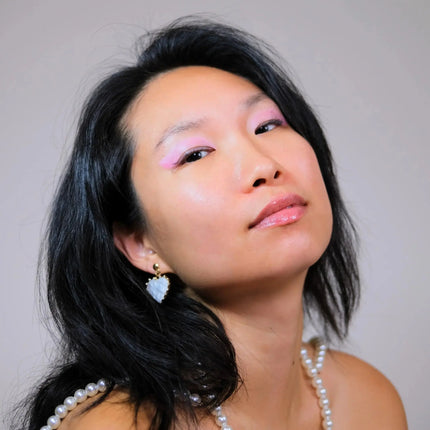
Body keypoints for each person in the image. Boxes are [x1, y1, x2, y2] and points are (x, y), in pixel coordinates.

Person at [18, 17, 407, 430]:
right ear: (141, 243)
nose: (263, 165)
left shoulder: (369, 402)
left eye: (267, 126)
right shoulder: (117, 425)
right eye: (196, 154)